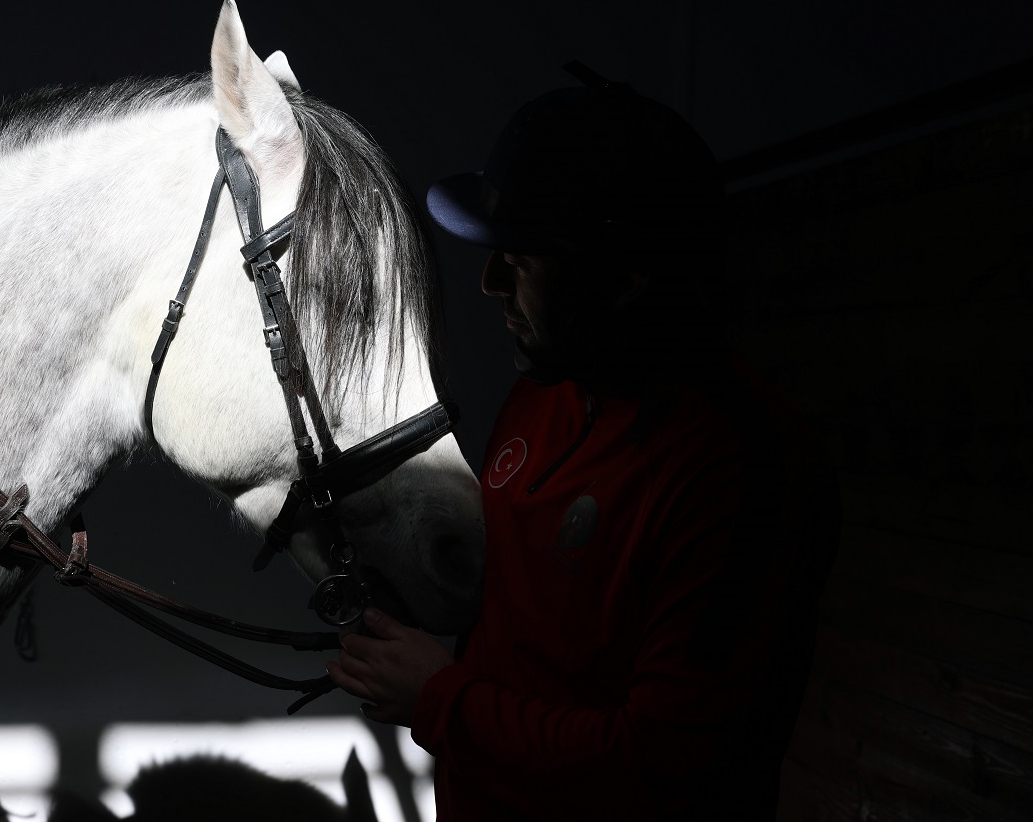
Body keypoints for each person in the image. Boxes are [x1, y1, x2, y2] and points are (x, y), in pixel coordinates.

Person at [325, 72, 841, 820]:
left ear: (625, 278)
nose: (490, 282)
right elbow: (521, 619)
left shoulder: (737, 470)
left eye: (523, 259)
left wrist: (443, 698)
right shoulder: (546, 392)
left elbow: (658, 764)